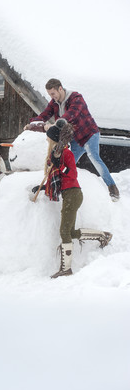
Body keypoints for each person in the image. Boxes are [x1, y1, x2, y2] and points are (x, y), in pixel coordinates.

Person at [32, 120, 112, 279]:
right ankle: (103, 236)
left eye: (48, 137)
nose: (47, 140)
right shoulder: (55, 154)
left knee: (64, 231)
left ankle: (66, 268)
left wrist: (59, 165)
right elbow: (57, 177)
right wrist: (43, 187)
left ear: (54, 138)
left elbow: (71, 174)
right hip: (68, 194)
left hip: (73, 194)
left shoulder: (66, 154)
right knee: (71, 232)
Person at [25, 78, 120, 201]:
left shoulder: (76, 98)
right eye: (49, 95)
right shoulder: (54, 103)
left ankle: (112, 188)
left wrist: (59, 122)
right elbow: (45, 114)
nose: (52, 97)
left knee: (94, 158)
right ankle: (52, 185)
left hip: (89, 134)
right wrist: (32, 124)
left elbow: (71, 114)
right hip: (75, 139)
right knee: (65, 164)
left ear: (60, 88)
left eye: (53, 93)